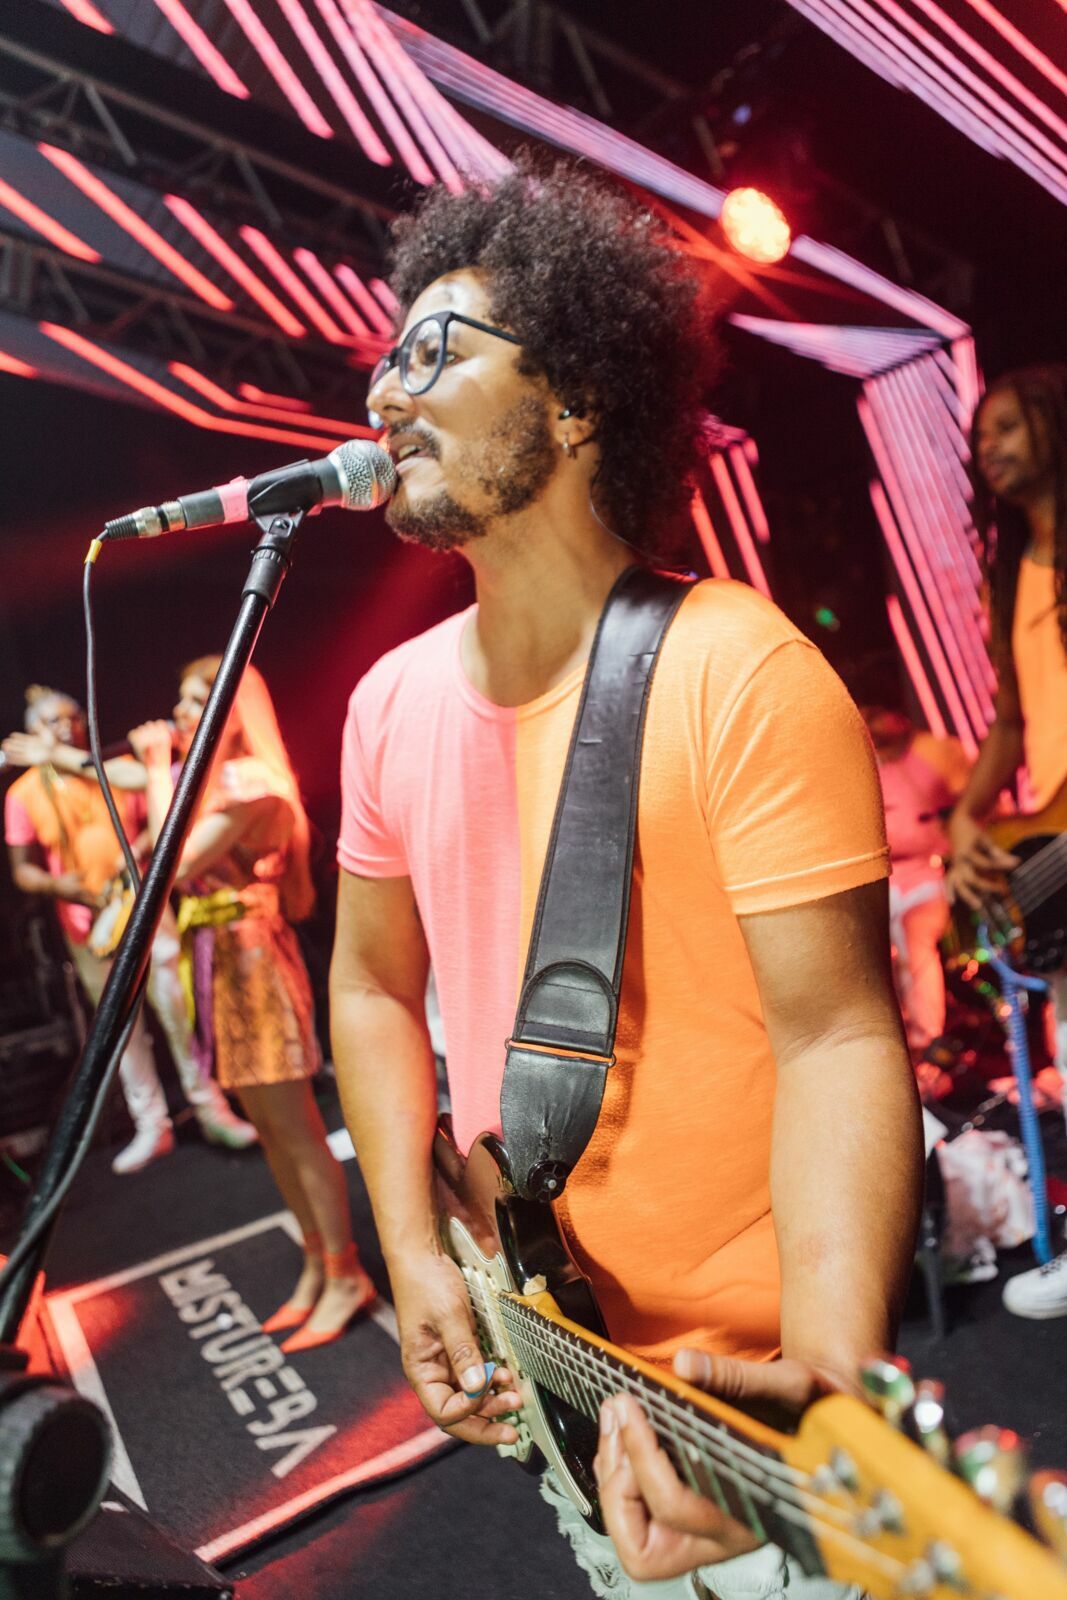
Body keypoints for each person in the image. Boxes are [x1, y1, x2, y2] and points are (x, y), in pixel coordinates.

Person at [329, 158, 922, 1600]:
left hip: (741, 1404)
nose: (385, 392)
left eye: (434, 348)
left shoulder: (735, 672)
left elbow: (839, 1039)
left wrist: (824, 1398)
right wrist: (412, 1250)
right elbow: (368, 984)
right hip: (553, 1355)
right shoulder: (386, 705)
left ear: (578, 398)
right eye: (384, 357)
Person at [128, 657, 375, 1350]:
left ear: (235, 709)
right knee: (268, 1128)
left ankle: (345, 1270)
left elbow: (172, 863)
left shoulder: (249, 781)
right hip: (222, 962)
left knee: (294, 1127)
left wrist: (154, 767)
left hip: (255, 962)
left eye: (198, 698)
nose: (181, 713)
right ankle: (317, 1261)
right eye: (180, 698)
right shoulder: (213, 784)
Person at [3, 685, 256, 1174]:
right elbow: (22, 871)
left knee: (179, 1008)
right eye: (54, 722)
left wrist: (136, 850)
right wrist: (60, 886)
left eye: (74, 717)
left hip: (143, 908)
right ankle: (151, 1124)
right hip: (86, 928)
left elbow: (156, 808)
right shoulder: (23, 795)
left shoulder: (106, 767)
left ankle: (212, 1108)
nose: (67, 728)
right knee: (120, 1030)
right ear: (33, 732)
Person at [945, 363, 1067, 1319]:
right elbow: (1012, 724)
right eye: (980, 433)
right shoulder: (1012, 567)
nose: (987, 445)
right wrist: (963, 818)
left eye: (1007, 426)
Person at [860, 704, 970, 1096]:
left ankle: (928, 1043)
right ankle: (893, 1051)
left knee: (913, 933)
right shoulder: (860, 765)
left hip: (932, 874)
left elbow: (973, 805)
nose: (871, 723)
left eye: (876, 714)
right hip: (884, 878)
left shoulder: (935, 752)